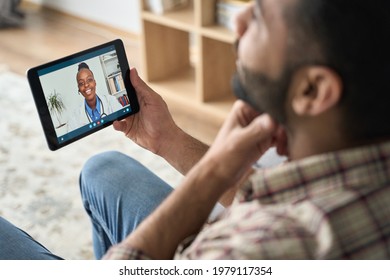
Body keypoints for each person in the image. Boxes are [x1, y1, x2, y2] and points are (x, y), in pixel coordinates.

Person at [1, 0, 390, 260]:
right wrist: (166, 139)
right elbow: (284, 194)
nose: (237, 18)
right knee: (103, 169)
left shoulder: (257, 248)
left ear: (313, 90)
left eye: (261, 18)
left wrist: (213, 173)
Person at [66, 62, 123, 132]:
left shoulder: (111, 101)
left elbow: (123, 124)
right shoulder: (74, 119)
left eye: (89, 80)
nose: (86, 85)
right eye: (81, 83)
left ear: (95, 82)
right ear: (79, 89)